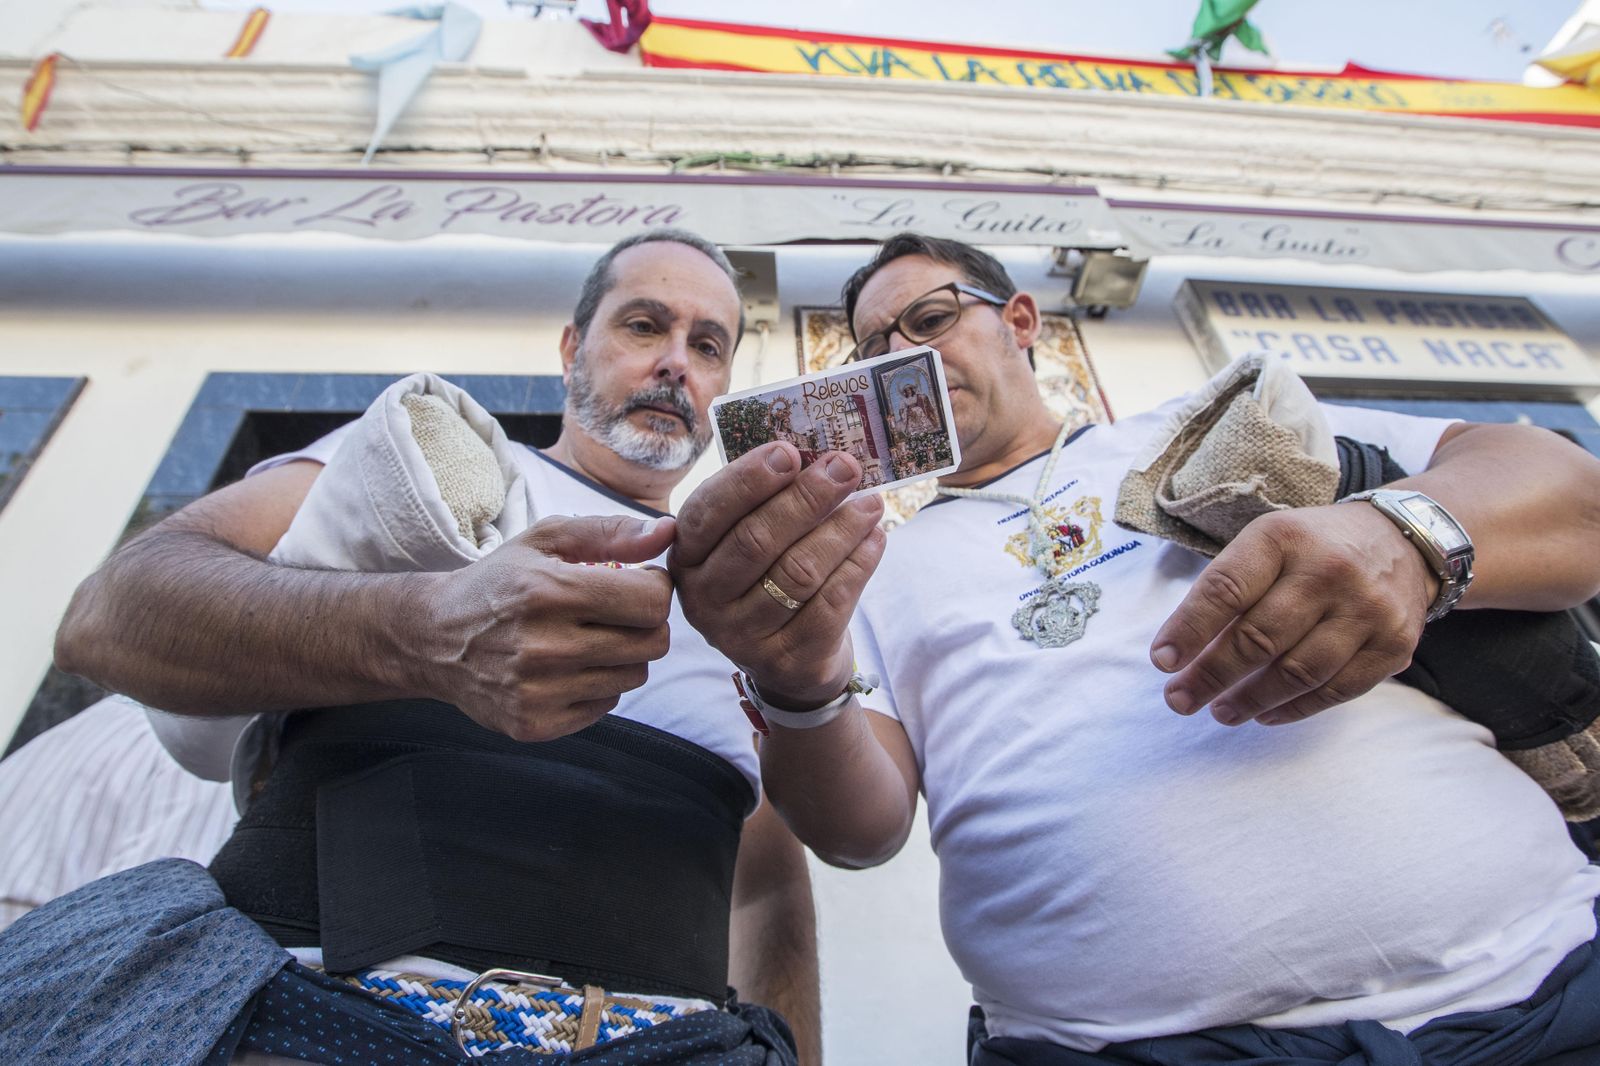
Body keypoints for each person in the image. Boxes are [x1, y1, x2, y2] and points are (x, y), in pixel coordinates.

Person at [668, 233, 1600, 1064]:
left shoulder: (1223, 421)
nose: (904, 355)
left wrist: (1402, 538)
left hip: (1528, 995)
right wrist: (797, 679)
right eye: (874, 349)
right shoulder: (868, 561)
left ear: (1020, 320)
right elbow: (858, 833)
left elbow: (1573, 501)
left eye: (932, 317)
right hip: (1106, 1047)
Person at [13, 230, 815, 1066]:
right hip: (317, 1025)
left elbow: (765, 886)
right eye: (644, 326)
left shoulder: (746, 598)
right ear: (574, 347)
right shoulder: (439, 475)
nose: (676, 362)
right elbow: (108, 614)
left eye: (708, 344)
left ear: (724, 381)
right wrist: (425, 631)